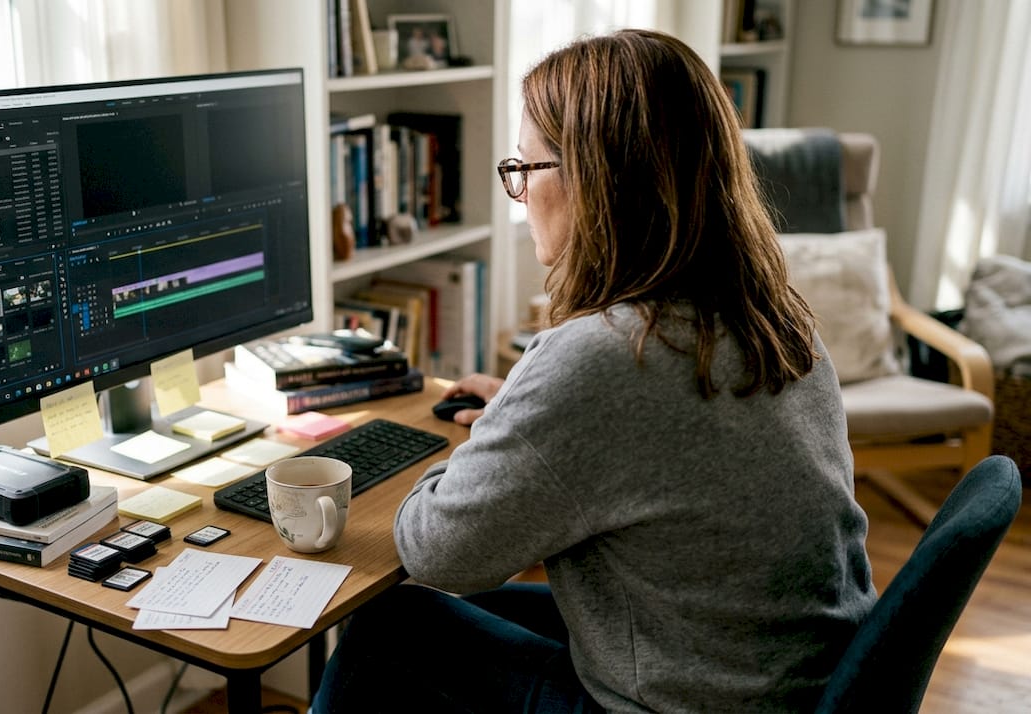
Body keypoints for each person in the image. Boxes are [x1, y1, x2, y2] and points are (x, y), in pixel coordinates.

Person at [312, 28, 876, 713]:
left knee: (389, 626)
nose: (518, 197)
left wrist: (499, 432)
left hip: (691, 700)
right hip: (790, 674)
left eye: (524, 169)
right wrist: (523, 421)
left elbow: (439, 553)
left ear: (599, 182)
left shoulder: (607, 357)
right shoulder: (774, 315)